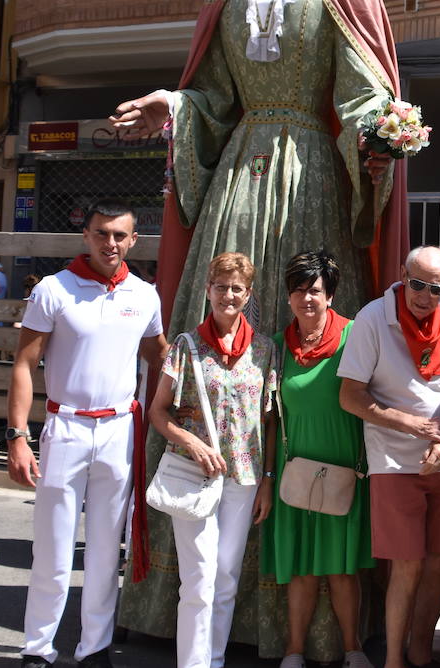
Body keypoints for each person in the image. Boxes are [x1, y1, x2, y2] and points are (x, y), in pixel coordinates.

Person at [108, 0, 410, 641]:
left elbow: (360, 98)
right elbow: (212, 102)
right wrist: (175, 106)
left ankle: (306, 615)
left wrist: (380, 133)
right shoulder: (227, 2)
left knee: (301, 348)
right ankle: (191, 602)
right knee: (213, 346)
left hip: (311, 176)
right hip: (238, 182)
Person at [8, 200, 166, 668]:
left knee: (103, 550)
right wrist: (17, 435)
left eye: (120, 235)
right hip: (66, 427)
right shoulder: (54, 290)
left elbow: (161, 356)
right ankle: (37, 648)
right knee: (53, 549)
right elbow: (23, 363)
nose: (110, 243)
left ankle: (94, 647)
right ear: (86, 234)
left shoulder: (144, 295)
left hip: (120, 429)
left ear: (133, 240)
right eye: (101, 233)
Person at [338, 246, 440, 668]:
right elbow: (350, 397)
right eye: (417, 284)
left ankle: (421, 653)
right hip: (395, 463)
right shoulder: (372, 318)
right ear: (403, 275)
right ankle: (394, 659)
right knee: (407, 566)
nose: (424, 295)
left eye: (435, 288)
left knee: (439, 564)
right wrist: (412, 425)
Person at [148, 251, 274, 668]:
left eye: (237, 288)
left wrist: (268, 480)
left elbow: (270, 420)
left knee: (225, 579)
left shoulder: (264, 350)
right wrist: (193, 442)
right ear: (208, 290)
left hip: (245, 478)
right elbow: (158, 411)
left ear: (248, 293)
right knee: (198, 580)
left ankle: (214, 659)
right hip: (195, 473)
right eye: (221, 287)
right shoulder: (186, 346)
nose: (228, 295)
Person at [261, 251, 374, 668]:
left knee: (343, 570)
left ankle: (353, 649)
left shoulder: (355, 337)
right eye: (298, 290)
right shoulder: (276, 346)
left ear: (330, 295)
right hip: (295, 473)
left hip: (346, 470)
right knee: (301, 569)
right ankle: (293, 651)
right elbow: (271, 421)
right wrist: (268, 480)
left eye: (315, 290)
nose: (306, 299)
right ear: (288, 296)